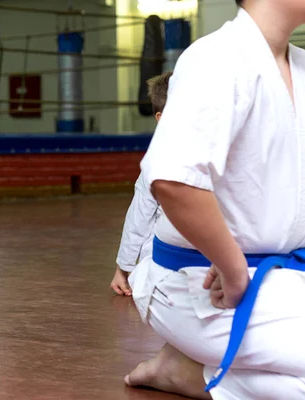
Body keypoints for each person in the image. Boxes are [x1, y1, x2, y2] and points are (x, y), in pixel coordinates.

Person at [124, 0, 305, 398]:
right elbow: (173, 180)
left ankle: (191, 374)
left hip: (284, 280)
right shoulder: (217, 57)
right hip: (204, 285)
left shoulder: (301, 67)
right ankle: (190, 369)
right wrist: (233, 267)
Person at [110, 72, 171, 296]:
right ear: (160, 117)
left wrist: (123, 270)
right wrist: (123, 267)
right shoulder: (154, 164)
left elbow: (139, 219)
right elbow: (139, 219)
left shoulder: (156, 162)